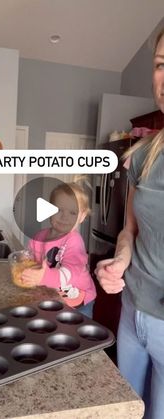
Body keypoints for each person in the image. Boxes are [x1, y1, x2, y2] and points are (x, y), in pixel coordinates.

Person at [95, 27, 164, 419]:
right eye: (161, 65)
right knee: (123, 410)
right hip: (132, 310)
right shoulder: (142, 156)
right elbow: (130, 229)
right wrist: (121, 260)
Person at [21, 182, 96, 318]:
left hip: (78, 303)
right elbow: (30, 258)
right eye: (58, 210)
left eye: (72, 212)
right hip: (53, 298)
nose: (64, 217)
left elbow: (70, 272)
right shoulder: (39, 236)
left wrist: (44, 277)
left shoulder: (74, 241)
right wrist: (25, 265)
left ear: (82, 216)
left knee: (74, 336)